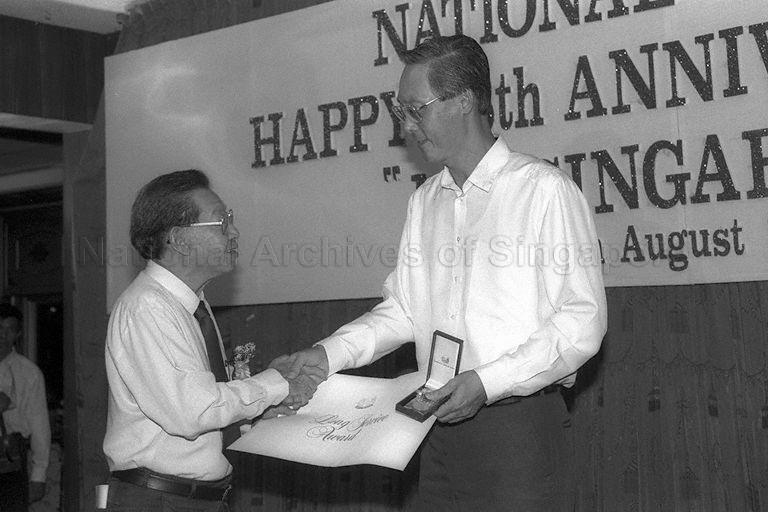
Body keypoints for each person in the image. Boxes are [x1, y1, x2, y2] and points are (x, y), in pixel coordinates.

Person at [277, 35, 607, 510]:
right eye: (401, 112)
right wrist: (328, 355)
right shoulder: (425, 200)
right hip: (432, 425)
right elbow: (404, 312)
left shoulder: (543, 191)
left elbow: (582, 323)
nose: (406, 126)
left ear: (465, 101)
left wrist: (487, 382)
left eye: (417, 109)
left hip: (517, 431)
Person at [102, 170, 315, 511]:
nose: (234, 232)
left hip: (192, 499)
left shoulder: (192, 306)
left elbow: (202, 413)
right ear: (178, 238)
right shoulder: (147, 307)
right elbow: (193, 412)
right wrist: (276, 384)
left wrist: (261, 414)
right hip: (160, 501)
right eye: (221, 222)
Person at [0, 303, 51, 511]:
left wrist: (39, 475)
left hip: (12, 459)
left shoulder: (29, 373)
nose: (2, 335)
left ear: (18, 334)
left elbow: (40, 427)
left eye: (8, 329)